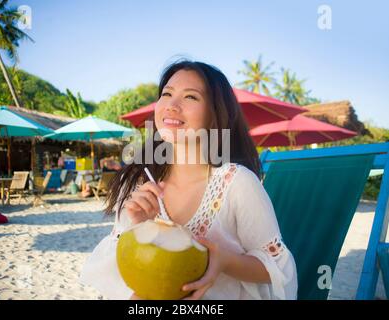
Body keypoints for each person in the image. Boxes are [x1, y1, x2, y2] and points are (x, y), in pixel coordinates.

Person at [80, 60, 298, 300]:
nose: (172, 105)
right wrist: (137, 227)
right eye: (167, 94)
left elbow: (277, 268)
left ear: (214, 115)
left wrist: (224, 261)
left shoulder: (237, 183)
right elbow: (121, 273)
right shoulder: (139, 183)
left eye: (191, 97)